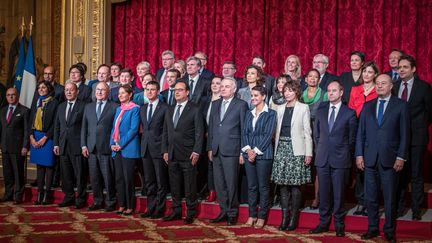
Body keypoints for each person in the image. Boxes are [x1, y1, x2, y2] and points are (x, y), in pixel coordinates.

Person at [356, 74, 409, 243]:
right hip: (370, 159)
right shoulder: (367, 106)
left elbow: (405, 135)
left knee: (389, 198)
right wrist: (359, 154)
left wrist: (401, 157)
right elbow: (360, 133)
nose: (379, 86)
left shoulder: (401, 106)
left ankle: (389, 231)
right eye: (377, 83)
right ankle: (372, 228)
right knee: (370, 198)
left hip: (390, 160)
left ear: (391, 86)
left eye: (383, 83)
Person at [309, 81, 357, 237]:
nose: (330, 93)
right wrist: (321, 149)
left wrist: (342, 152)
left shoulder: (349, 113)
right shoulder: (321, 111)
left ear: (341, 92)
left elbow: (351, 139)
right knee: (323, 193)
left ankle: (338, 224)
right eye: (329, 91)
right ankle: (323, 223)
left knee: (338, 194)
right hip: (322, 158)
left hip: (340, 159)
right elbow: (316, 135)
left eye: (334, 90)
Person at [393, 55, 432, 220]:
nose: (401, 70)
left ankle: (416, 210)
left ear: (413, 69)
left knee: (415, 174)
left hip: (417, 138)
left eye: (405, 67)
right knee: (399, 174)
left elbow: (430, 112)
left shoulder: (424, 87)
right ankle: (400, 207)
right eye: (399, 67)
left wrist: (418, 127)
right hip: (397, 139)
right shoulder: (393, 87)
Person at [161, 80, 204, 224]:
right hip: (172, 153)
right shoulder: (170, 109)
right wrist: (165, 150)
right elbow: (166, 132)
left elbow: (199, 132)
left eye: (180, 90)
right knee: (174, 185)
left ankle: (190, 213)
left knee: (190, 186)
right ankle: (176, 211)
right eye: (175, 90)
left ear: (187, 92)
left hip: (188, 154)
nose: (177, 92)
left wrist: (197, 151)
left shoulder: (195, 109)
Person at [207, 77, 249, 226]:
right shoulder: (215, 103)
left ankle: (232, 213)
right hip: (217, 149)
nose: (222, 88)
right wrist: (210, 147)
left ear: (234, 89)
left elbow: (244, 129)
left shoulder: (241, 105)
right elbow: (212, 127)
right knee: (219, 184)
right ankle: (223, 211)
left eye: (226, 86)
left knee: (231, 184)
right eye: (222, 86)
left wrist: (242, 152)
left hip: (233, 149)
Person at [272, 81, 312, 231]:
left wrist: (308, 153)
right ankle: (284, 219)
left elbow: (308, 132)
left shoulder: (303, 108)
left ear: (296, 92)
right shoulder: (280, 108)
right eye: (285, 91)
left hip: (297, 150)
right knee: (282, 185)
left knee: (295, 186)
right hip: (281, 147)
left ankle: (293, 219)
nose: (287, 93)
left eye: (290, 90)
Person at [241, 85, 276, 228]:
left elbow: (268, 135)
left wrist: (255, 151)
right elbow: (244, 133)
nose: (253, 98)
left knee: (263, 187)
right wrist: (248, 151)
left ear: (264, 96)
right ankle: (252, 215)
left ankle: (262, 217)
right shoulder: (249, 113)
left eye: (256, 95)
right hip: (249, 154)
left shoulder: (271, 113)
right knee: (252, 187)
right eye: (252, 96)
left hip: (264, 155)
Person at [81, 82, 118, 212]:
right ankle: (97, 201)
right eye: (98, 90)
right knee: (94, 177)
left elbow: (116, 128)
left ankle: (110, 201)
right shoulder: (88, 107)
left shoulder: (114, 106)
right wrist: (83, 145)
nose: (100, 92)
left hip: (106, 147)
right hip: (91, 148)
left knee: (108, 177)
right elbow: (84, 128)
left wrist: (114, 144)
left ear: (108, 92)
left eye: (102, 90)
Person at [348, 61, 379, 216]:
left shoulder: (379, 90)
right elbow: (352, 112)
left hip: (374, 133)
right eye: (364, 72)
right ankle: (360, 202)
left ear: (375, 75)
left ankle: (370, 201)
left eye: (370, 72)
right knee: (360, 168)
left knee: (372, 168)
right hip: (358, 131)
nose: (366, 74)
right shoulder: (355, 90)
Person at [54, 82, 87, 209]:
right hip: (63, 145)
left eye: (71, 90)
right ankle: (68, 197)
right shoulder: (61, 106)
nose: (68, 92)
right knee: (66, 174)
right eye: (66, 90)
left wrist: (84, 145)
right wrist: (56, 144)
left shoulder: (83, 105)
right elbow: (58, 126)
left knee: (80, 175)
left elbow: (85, 127)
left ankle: (81, 199)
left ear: (77, 92)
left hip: (77, 146)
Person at [139, 81, 169, 219]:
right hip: (145, 149)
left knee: (160, 181)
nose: (150, 92)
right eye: (147, 89)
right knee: (149, 182)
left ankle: (160, 209)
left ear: (158, 92)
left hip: (159, 149)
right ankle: (150, 208)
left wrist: (164, 150)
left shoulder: (165, 108)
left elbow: (166, 131)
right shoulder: (143, 108)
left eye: (152, 89)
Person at [110, 84, 141, 215]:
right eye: (119, 93)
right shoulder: (119, 109)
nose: (120, 95)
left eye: (123, 93)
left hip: (128, 148)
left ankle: (130, 205)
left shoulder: (135, 109)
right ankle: (122, 204)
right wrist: (112, 143)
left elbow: (133, 130)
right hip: (116, 148)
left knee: (128, 178)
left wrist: (120, 144)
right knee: (119, 178)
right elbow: (114, 128)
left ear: (130, 94)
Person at [301, 68, 328, 210]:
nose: (312, 79)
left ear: (319, 80)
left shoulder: (324, 95)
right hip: (302, 134)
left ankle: (317, 197)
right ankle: (301, 197)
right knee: (303, 165)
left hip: (318, 134)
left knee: (317, 167)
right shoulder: (300, 94)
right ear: (306, 79)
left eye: (315, 77)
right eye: (310, 76)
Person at [29, 81, 59, 205]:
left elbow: (55, 123)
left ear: (49, 89)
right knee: (39, 167)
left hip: (48, 137)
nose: (41, 89)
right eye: (39, 88)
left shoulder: (54, 102)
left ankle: (47, 195)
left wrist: (45, 138)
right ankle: (39, 194)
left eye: (44, 87)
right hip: (35, 136)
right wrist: (31, 137)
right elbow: (30, 120)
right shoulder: (36, 102)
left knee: (48, 166)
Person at [0, 88, 29, 204]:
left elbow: (27, 130)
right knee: (7, 173)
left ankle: (18, 196)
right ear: (6, 97)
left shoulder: (24, 110)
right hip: (5, 147)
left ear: (17, 96)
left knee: (18, 173)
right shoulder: (2, 110)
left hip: (18, 148)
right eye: (8, 95)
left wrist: (25, 146)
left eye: (13, 95)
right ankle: (8, 194)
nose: (11, 97)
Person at [200, 76, 222, 202]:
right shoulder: (205, 100)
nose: (214, 85)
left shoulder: (224, 101)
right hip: (206, 138)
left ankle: (219, 191)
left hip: (218, 138)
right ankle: (211, 190)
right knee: (209, 166)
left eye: (217, 83)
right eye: (212, 83)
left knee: (219, 166)